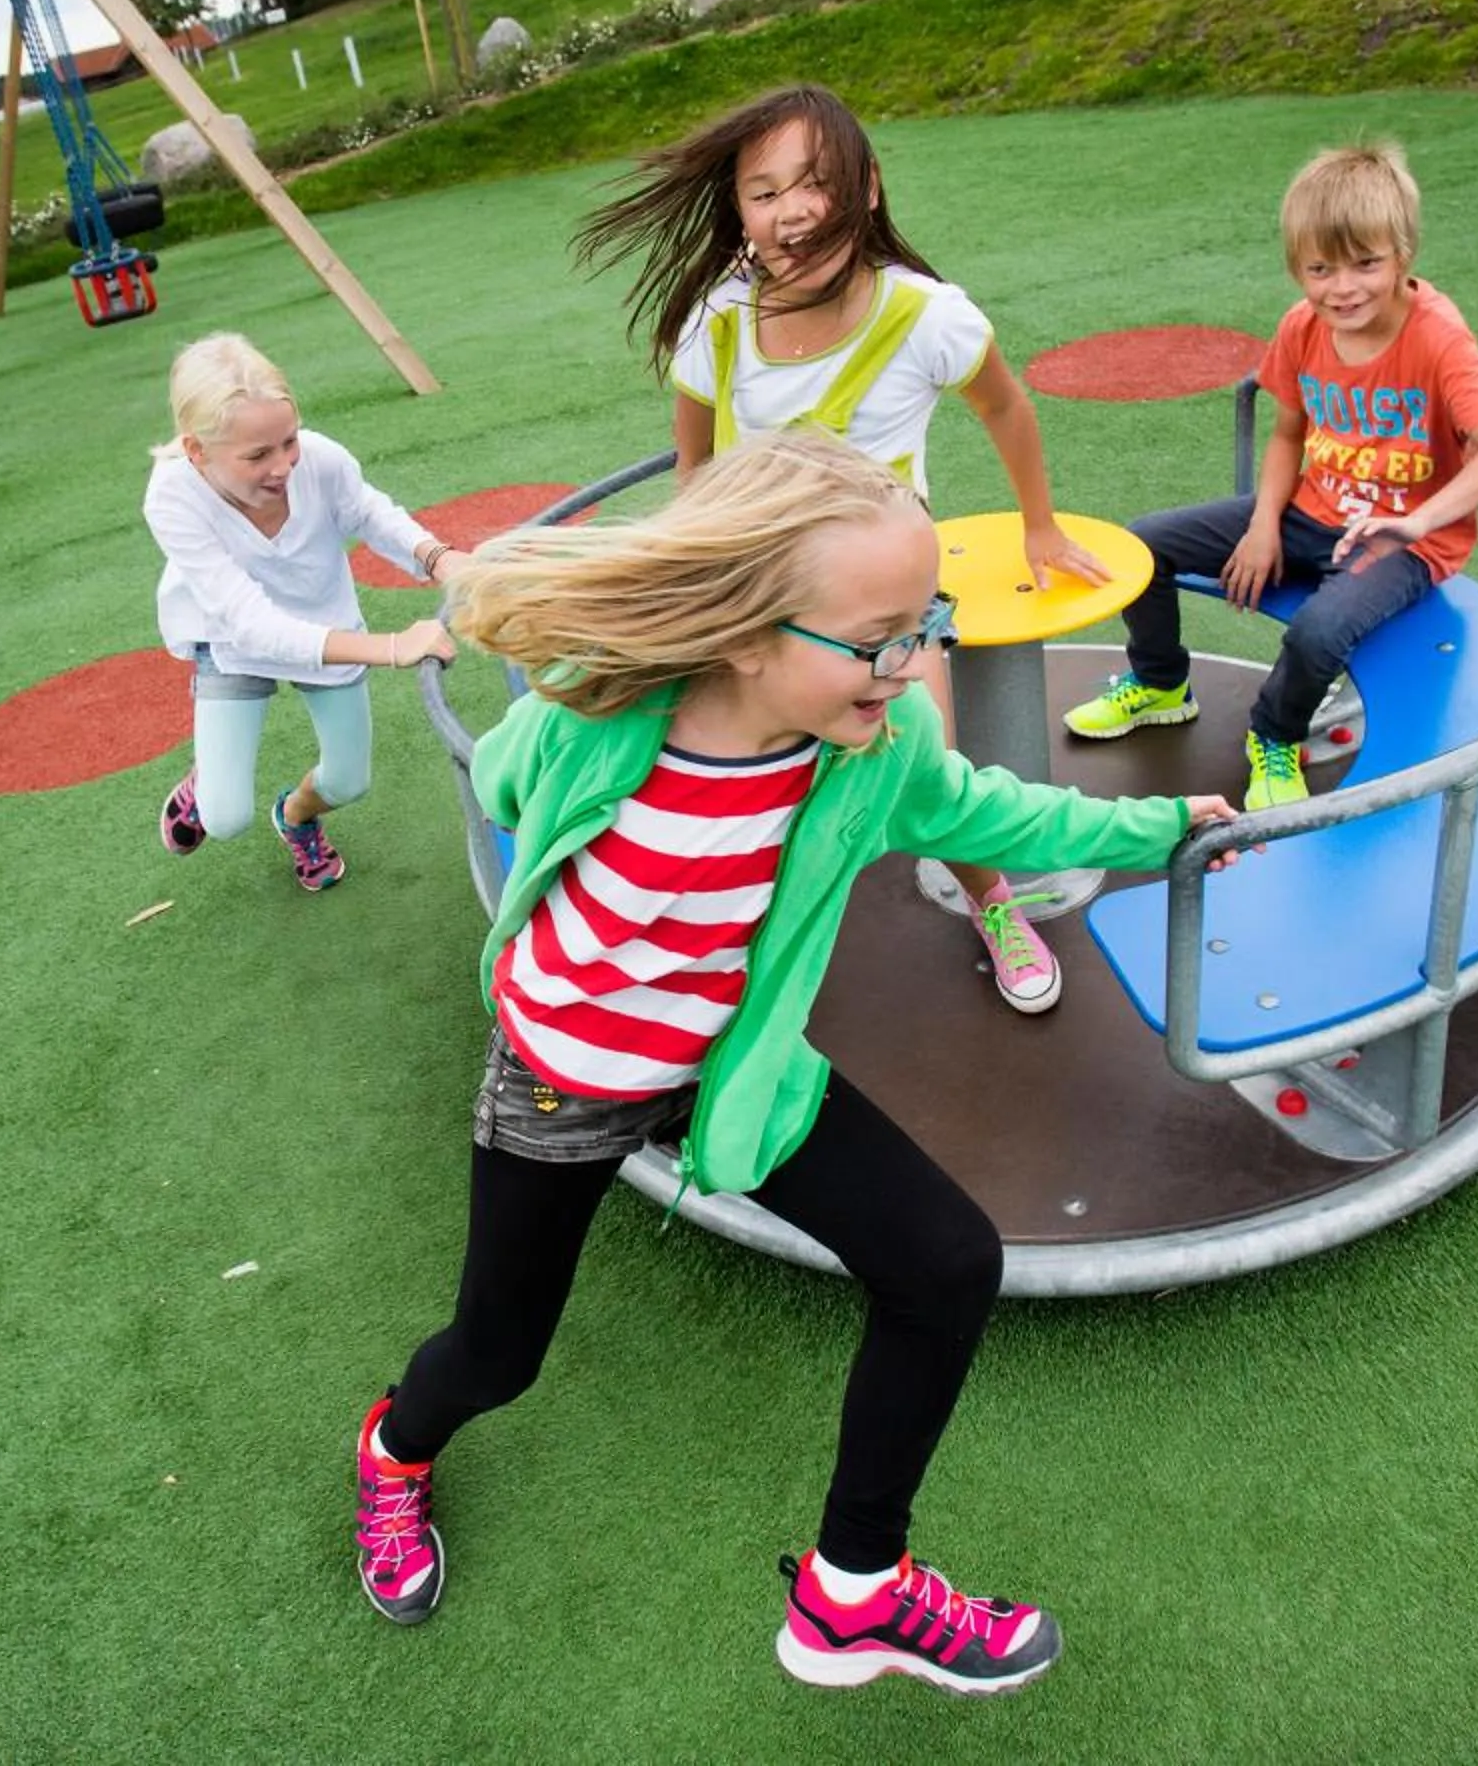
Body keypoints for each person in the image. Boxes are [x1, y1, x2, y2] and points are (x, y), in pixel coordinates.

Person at [348, 432, 1244, 1694]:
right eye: (880, 637)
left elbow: (1010, 811)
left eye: (920, 624)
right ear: (745, 629)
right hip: (566, 1072)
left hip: (730, 1066)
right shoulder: (596, 714)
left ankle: (853, 1591)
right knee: (497, 1354)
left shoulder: (873, 757)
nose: (910, 663)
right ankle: (394, 1446)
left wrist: (1164, 825)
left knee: (946, 1261)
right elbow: (505, 778)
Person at [574, 82, 1108, 1015]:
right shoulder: (721, 319)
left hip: (884, 611)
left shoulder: (923, 316)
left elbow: (1006, 406)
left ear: (866, 188)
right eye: (765, 190)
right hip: (761, 601)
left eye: (816, 181)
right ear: (739, 211)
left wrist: (1040, 524)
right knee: (677, 748)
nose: (794, 209)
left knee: (927, 767)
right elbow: (695, 465)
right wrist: (697, 586)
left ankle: (991, 902)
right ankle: (686, 942)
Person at [1063, 141, 1478, 806]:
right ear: (1297, 269)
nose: (1343, 288)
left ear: (1403, 254)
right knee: (1140, 545)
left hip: (1402, 539)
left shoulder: (1438, 337)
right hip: (1311, 512)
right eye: (1320, 269)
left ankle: (1274, 734)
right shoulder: (1304, 325)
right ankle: (1163, 682)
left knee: (1318, 630)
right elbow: (1289, 431)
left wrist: (1418, 521)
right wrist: (1261, 526)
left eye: (1365, 264)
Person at [142, 331, 465, 889]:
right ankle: (208, 785)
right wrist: (391, 647)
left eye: (288, 440)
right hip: (233, 642)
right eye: (258, 455)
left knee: (348, 782)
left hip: (324, 617)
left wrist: (438, 558)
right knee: (224, 817)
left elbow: (369, 514)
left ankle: (296, 815)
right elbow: (253, 625)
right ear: (197, 451)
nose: (283, 465)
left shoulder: (319, 460)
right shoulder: (172, 497)